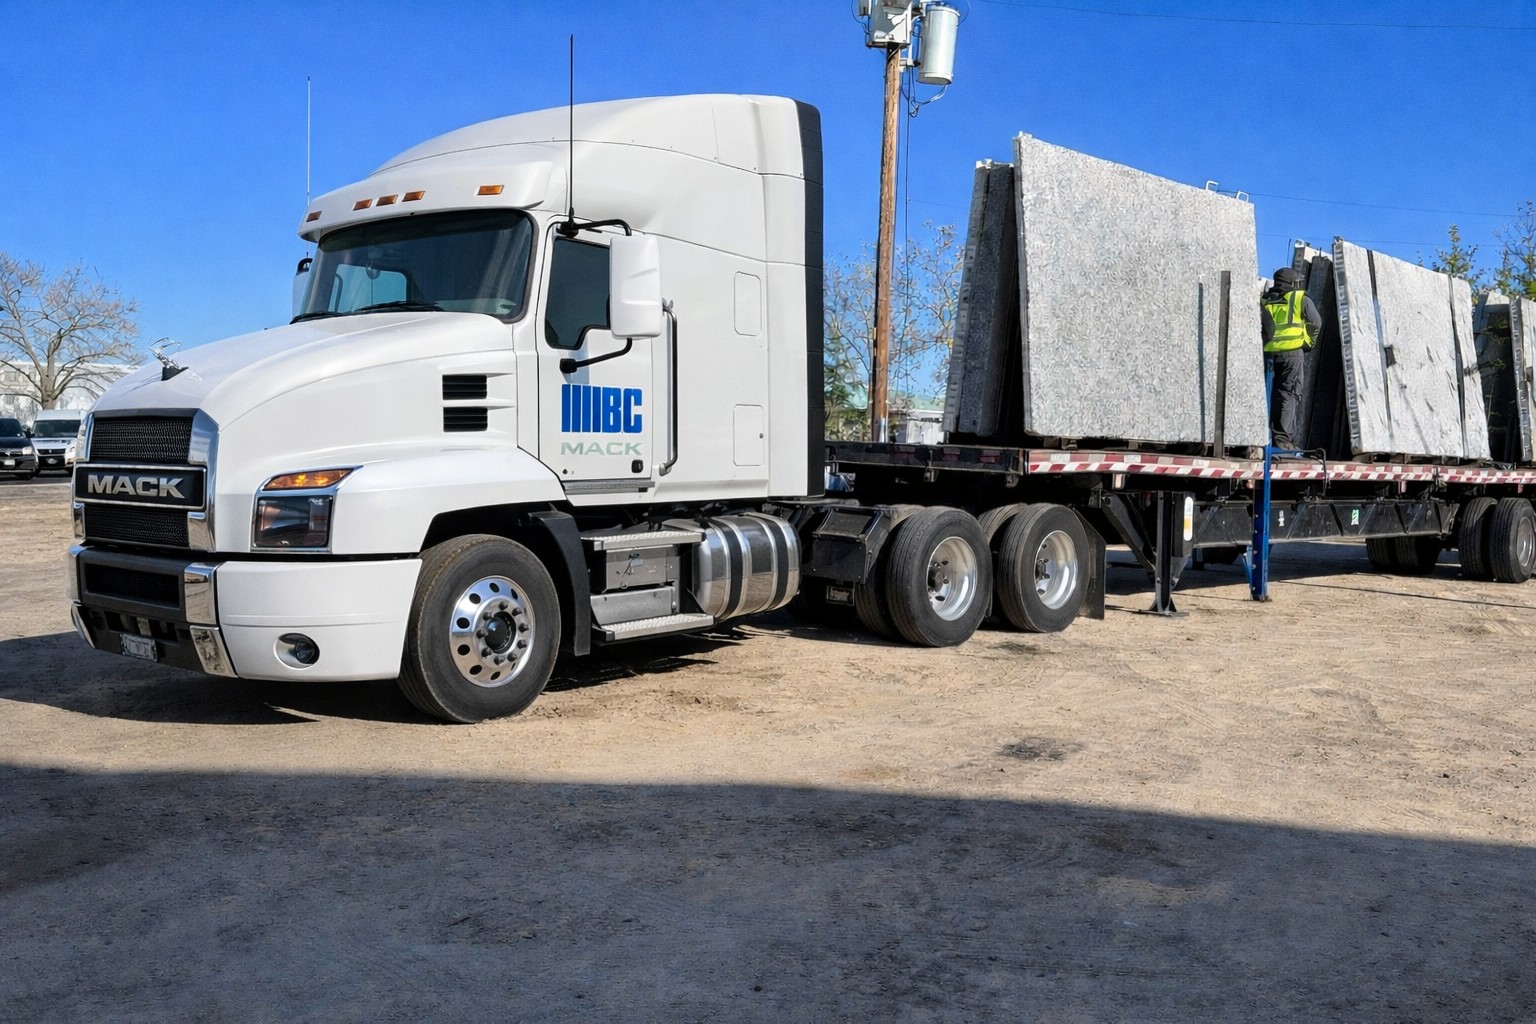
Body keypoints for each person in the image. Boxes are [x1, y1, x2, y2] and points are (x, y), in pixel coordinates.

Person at [1260, 267, 1322, 451]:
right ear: (1293, 283)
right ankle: (1282, 441)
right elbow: (1316, 322)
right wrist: (1309, 343)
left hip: (1268, 354)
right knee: (1288, 394)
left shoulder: (1264, 300)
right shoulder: (1299, 299)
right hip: (1292, 354)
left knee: (1267, 395)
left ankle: (1263, 438)